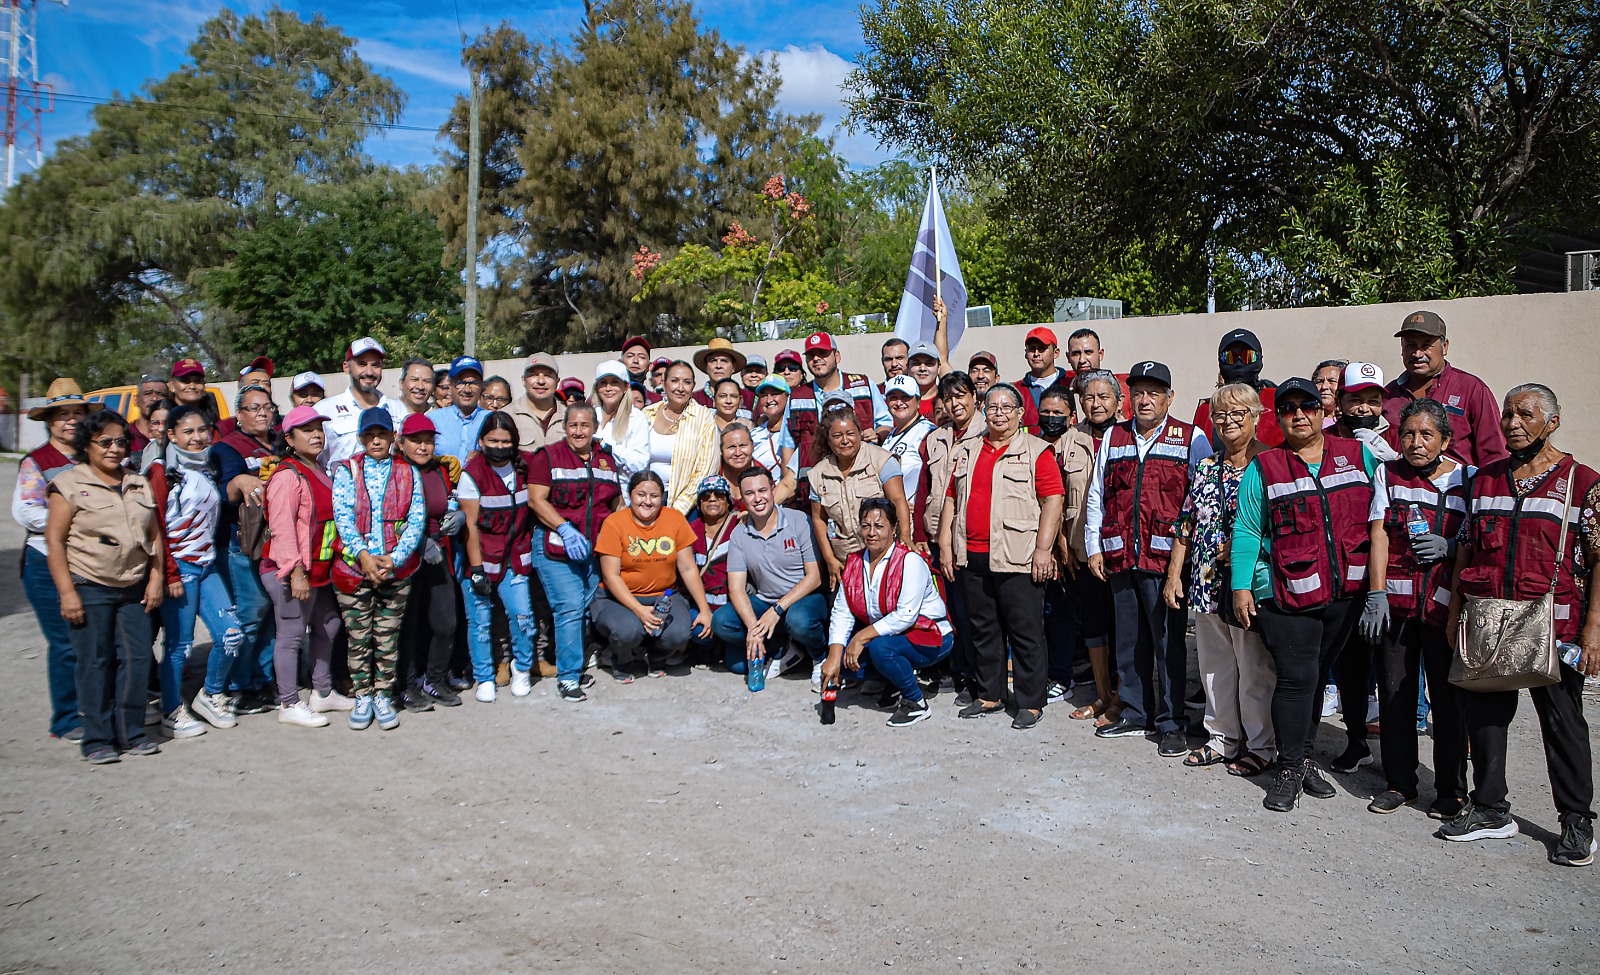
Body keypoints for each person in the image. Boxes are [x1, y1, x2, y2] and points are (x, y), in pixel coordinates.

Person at [1443, 383, 1598, 867]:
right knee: (1485, 717)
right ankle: (1490, 808)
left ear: (1552, 422)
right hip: (1488, 620)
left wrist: (1593, 631)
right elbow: (1466, 547)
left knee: (1562, 720)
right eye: (1508, 413)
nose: (1512, 422)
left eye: (1525, 414)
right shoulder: (1484, 479)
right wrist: (1454, 616)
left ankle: (1576, 820)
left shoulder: (1583, 483)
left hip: (1556, 623)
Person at [1231, 377, 1381, 813]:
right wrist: (1242, 586)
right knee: (1296, 679)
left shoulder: (1358, 456)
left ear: (1323, 411)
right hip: (1284, 593)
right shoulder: (1266, 466)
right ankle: (1290, 766)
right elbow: (1246, 529)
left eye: (1308, 406)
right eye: (1288, 408)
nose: (1299, 414)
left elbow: (1380, 517)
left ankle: (1305, 755)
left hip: (1344, 593)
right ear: (1277, 417)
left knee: (1315, 675)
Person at [1086, 361, 1211, 754]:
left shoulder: (1192, 438)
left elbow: (1199, 504)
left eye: (1154, 392)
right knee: (1129, 641)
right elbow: (1097, 496)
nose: (1145, 399)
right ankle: (1136, 711)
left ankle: (1172, 721)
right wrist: (1094, 546)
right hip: (1121, 555)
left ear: (1169, 398)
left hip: (1166, 563)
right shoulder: (1115, 437)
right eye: (1138, 392)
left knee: (1169, 643)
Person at [1162, 383, 1275, 775]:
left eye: (1237, 413)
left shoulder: (1270, 464)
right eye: (1219, 415)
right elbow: (1187, 521)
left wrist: (1247, 550)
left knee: (1253, 666)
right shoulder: (1207, 465)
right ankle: (1221, 737)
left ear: (1257, 417)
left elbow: (1278, 526)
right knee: (1214, 665)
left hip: (1246, 582)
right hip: (1205, 582)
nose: (1227, 422)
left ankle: (1261, 744)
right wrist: (1175, 573)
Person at [1364, 399, 1469, 817]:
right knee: (1395, 695)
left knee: (1448, 701)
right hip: (1398, 605)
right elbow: (1379, 535)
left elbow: (1476, 539)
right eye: (1407, 434)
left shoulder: (1469, 480)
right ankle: (1400, 782)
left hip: (1445, 607)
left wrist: (1451, 546)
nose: (1415, 443)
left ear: (1445, 439)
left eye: (1426, 435)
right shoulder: (1388, 475)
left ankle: (1451, 789)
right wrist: (1376, 594)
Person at [938, 382, 1064, 730]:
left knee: (1025, 632)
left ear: (1021, 413)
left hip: (1019, 556)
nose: (999, 413)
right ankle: (990, 693)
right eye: (992, 407)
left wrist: (1043, 549)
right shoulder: (967, 451)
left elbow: (1053, 499)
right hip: (973, 556)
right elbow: (951, 499)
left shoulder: (1037, 451)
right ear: (983, 410)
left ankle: (1030, 701)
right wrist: (947, 545)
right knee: (983, 629)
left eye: (1007, 407)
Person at [44, 409, 164, 764]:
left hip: (132, 588)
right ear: (88, 445)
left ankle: (131, 732)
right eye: (105, 442)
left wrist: (156, 578)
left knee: (138, 658)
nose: (114, 448)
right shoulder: (67, 484)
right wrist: (68, 594)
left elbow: (154, 537)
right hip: (88, 586)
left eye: (120, 441)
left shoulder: (136, 482)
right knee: (94, 662)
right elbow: (54, 543)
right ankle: (97, 738)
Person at [146, 405, 242, 737]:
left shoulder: (209, 465)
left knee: (232, 634)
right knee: (179, 645)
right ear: (171, 435)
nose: (197, 438)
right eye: (188, 432)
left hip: (207, 564)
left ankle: (211, 695)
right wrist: (168, 573)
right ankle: (171, 710)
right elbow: (155, 526)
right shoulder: (161, 472)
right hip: (179, 568)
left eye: (202, 430)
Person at [331, 407, 426, 731]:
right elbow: (342, 515)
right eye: (369, 435)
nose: (376, 440)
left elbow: (416, 518)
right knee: (358, 637)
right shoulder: (347, 471)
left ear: (392, 437)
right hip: (355, 570)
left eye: (382, 434)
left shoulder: (407, 472)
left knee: (387, 638)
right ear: (360, 438)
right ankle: (363, 694)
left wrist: (395, 558)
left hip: (393, 570)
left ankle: (383, 694)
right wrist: (363, 556)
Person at [824, 498, 954, 727]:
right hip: (889, 635)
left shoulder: (909, 561)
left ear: (894, 529)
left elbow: (906, 616)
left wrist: (860, 637)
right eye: (866, 526)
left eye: (879, 526)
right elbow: (842, 612)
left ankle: (916, 702)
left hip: (931, 635)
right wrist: (834, 655)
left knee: (880, 648)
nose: (871, 533)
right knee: (843, 662)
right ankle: (894, 682)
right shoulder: (854, 562)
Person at [1329, 361, 1400, 765]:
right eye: (1356, 399)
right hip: (1335, 570)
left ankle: (1390, 755)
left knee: (1390, 672)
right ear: (1340, 400)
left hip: (1379, 570)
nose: (1364, 408)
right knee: (1348, 667)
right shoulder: (1321, 439)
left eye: (1372, 400)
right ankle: (1354, 741)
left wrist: (1388, 459)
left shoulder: (1396, 444)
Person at [529, 402, 624, 703]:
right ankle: (568, 677)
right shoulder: (548, 456)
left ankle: (574, 665)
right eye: (573, 425)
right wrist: (564, 529)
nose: (579, 431)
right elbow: (536, 500)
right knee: (569, 607)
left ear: (595, 428)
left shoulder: (607, 459)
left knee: (582, 609)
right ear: (564, 427)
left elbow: (616, 502)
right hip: (556, 547)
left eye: (585, 425)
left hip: (593, 549)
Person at [260, 406, 347, 727]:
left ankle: (322, 692)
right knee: (292, 635)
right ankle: (289, 703)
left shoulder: (319, 468)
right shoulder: (287, 475)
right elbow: (281, 527)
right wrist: (295, 572)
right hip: (290, 571)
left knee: (329, 625)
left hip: (319, 571)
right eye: (307, 430)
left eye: (319, 429)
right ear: (289, 438)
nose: (316, 435)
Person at [15, 379, 92, 741]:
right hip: (45, 561)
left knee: (89, 640)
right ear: (50, 421)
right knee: (64, 642)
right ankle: (64, 719)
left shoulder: (95, 456)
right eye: (63, 415)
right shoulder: (37, 461)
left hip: (89, 561)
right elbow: (26, 510)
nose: (71, 421)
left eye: (77, 413)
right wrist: (73, 520)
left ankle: (91, 707)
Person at [592, 471, 714, 681]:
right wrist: (639, 610)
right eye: (641, 495)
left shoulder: (674, 518)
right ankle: (621, 659)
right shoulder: (614, 523)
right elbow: (611, 576)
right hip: (617, 598)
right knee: (628, 630)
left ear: (662, 497)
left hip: (663, 596)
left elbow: (687, 568)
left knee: (679, 633)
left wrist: (704, 609)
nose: (647, 502)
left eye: (654, 496)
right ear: (630, 495)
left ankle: (657, 657)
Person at [714, 465, 829, 681]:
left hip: (803, 599)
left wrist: (777, 610)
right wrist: (753, 629)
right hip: (765, 601)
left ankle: (818, 656)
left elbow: (814, 577)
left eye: (762, 491)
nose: (757, 498)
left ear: (773, 489)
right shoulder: (740, 533)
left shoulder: (799, 521)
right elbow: (736, 588)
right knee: (722, 622)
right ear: (742, 498)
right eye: (749, 493)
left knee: (800, 620)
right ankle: (783, 648)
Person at [458, 412, 538, 703]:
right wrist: (477, 569)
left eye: (506, 441)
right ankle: (484, 677)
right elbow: (470, 525)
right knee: (479, 624)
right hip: (481, 560)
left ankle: (522, 669)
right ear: (481, 441)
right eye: (493, 440)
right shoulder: (473, 472)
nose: (500, 446)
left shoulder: (525, 467)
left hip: (515, 559)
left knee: (523, 617)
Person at [915, 371, 985, 701]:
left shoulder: (987, 433)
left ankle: (978, 678)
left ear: (974, 396)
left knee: (973, 612)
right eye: (949, 398)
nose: (956, 403)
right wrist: (916, 532)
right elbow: (924, 488)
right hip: (933, 537)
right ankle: (958, 671)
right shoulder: (935, 439)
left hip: (967, 539)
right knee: (950, 611)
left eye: (961, 395)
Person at [211, 383, 279, 710]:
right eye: (253, 407)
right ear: (239, 415)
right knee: (250, 615)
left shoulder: (282, 442)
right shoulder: (228, 448)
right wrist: (242, 481)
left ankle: (264, 678)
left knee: (271, 615)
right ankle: (240, 685)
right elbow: (227, 488)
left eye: (267, 405)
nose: (262, 412)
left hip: (279, 544)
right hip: (246, 544)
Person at [395, 413, 465, 711]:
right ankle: (407, 686)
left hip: (438, 554)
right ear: (401, 442)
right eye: (415, 441)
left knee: (445, 622)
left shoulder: (441, 469)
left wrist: (457, 515)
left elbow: (449, 501)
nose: (423, 447)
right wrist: (417, 541)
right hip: (405, 558)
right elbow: (388, 517)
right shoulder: (393, 469)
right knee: (408, 626)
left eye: (428, 441)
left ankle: (434, 679)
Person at [1064, 371, 1122, 723]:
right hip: (1082, 549)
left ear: (1118, 401)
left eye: (1104, 397)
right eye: (1089, 397)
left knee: (1123, 627)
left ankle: (1123, 695)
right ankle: (1102, 695)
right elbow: (1055, 496)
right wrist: (1061, 544)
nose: (1096, 403)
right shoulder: (1069, 441)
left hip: (1120, 550)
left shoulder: (1129, 436)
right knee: (1093, 624)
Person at [1384, 310, 1507, 467]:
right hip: (1402, 489)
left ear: (1445, 347)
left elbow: (1494, 454)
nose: (1417, 353)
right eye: (1410, 345)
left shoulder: (1472, 389)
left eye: (1426, 345)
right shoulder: (1388, 395)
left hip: (1458, 489)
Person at [808, 405, 912, 589]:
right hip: (846, 563)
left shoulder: (882, 461)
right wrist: (830, 559)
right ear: (828, 440)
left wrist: (905, 536)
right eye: (837, 436)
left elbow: (898, 500)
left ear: (859, 433)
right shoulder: (818, 474)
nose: (845, 440)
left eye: (850, 433)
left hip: (885, 557)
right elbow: (818, 519)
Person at [1036, 386, 1094, 705]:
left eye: (1058, 413)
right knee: (1049, 612)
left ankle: (1062, 675)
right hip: (1039, 544)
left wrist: (1063, 545)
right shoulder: (1030, 447)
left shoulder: (1082, 445)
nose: (1051, 418)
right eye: (1045, 411)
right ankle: (1054, 672)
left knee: (1066, 612)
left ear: (1071, 416)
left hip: (1073, 546)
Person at [787, 332, 889, 496]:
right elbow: (788, 445)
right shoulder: (797, 396)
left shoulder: (863, 384)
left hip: (864, 481)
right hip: (816, 487)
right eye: (811, 355)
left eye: (823, 353)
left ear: (837, 356)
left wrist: (877, 434)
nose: (817, 359)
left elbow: (886, 423)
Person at [642, 360, 721, 513]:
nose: (680, 388)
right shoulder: (646, 414)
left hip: (686, 505)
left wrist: (677, 509)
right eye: (674, 381)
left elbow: (707, 468)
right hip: (646, 501)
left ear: (693, 386)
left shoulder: (703, 417)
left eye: (687, 382)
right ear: (664, 384)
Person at [315, 338, 406, 465]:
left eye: (375, 365)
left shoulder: (399, 409)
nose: (369, 372)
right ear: (346, 367)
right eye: (362, 364)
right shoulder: (325, 410)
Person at [1191, 328, 1281, 448]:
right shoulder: (1206, 409)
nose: (1239, 362)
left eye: (1247, 356)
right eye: (1230, 357)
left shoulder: (1276, 400)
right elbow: (1197, 453)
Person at [690, 476, 737, 661]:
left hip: (731, 607)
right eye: (705, 495)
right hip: (702, 603)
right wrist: (704, 611)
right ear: (699, 503)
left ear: (728, 501)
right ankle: (709, 649)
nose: (712, 499)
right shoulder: (689, 531)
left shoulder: (741, 526)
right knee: (698, 631)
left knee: (739, 667)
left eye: (719, 494)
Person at [881, 376, 937, 518]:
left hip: (915, 520)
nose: (899, 403)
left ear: (918, 401)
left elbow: (937, 481)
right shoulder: (890, 435)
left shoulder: (928, 433)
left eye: (905, 397)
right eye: (893, 397)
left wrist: (921, 506)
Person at [593, 359, 650, 478]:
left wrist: (607, 447)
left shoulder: (636, 418)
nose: (608, 388)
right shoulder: (591, 414)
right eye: (603, 383)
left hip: (621, 492)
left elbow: (640, 463)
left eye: (614, 382)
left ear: (626, 386)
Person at [426, 355, 489, 459]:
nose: (467, 390)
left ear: (481, 385)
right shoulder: (433, 419)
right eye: (460, 383)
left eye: (473, 383)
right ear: (450, 385)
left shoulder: (490, 419)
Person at [749, 376, 799, 501]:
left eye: (775, 393)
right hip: (760, 501)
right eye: (764, 395)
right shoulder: (754, 434)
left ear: (788, 396)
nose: (769, 399)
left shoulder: (798, 431)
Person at [1017, 326, 1071, 430]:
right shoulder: (1016, 390)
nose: (1036, 354)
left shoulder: (1071, 382)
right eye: (1032, 349)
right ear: (1025, 353)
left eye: (1042, 349)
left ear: (1056, 353)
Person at [509, 353, 563, 455]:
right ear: (523, 380)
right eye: (534, 375)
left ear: (557, 381)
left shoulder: (571, 416)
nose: (541, 381)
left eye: (547, 375)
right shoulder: (507, 416)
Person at [692, 337, 755, 414]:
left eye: (724, 361)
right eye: (713, 361)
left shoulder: (750, 398)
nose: (718, 366)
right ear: (706, 366)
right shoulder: (694, 399)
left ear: (733, 366)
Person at [168, 358, 218, 426]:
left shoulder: (212, 416)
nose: (192, 386)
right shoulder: (163, 417)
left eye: (197, 381)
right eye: (185, 381)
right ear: (172, 385)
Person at [128, 375, 169, 455]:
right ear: (135, 400)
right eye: (147, 394)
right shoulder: (126, 434)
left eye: (160, 394)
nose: (154, 398)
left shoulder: (174, 434)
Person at [905, 342, 942, 419]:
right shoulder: (898, 403)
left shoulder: (947, 400)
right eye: (916, 363)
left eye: (929, 363)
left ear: (939, 368)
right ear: (908, 367)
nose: (922, 368)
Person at [1312, 359, 1348, 427]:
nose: (1324, 386)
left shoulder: (1351, 421)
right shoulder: (1306, 420)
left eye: (1332, 381)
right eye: (1320, 381)